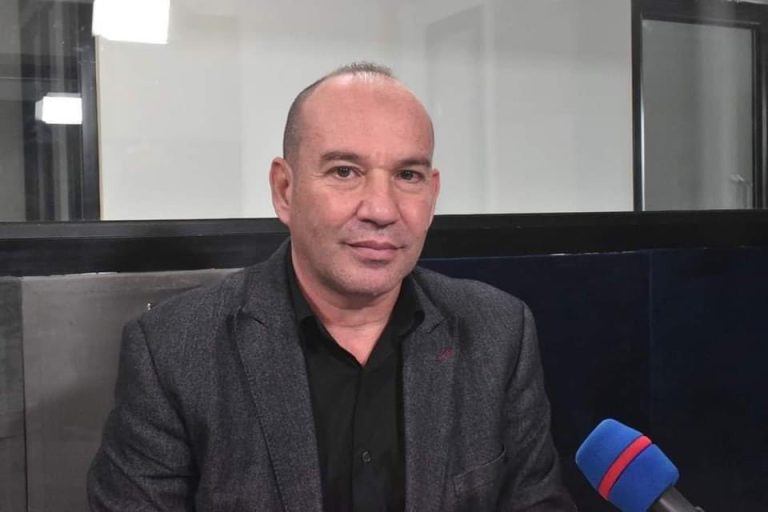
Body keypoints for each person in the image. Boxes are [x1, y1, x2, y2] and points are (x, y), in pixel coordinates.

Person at [88, 62, 576, 511]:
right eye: (345, 171)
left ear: (432, 195)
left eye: (408, 175)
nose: (381, 209)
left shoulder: (498, 332)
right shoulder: (173, 352)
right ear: (285, 190)